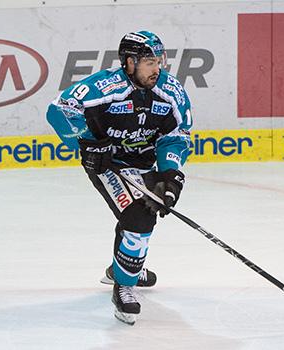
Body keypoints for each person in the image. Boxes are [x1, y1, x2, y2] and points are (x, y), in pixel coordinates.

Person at [46, 30, 192, 325]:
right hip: (107, 161)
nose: (157, 69)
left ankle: (122, 269)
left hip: (143, 163)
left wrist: (170, 174)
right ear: (129, 62)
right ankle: (125, 284)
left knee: (149, 208)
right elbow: (59, 110)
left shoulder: (171, 91)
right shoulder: (105, 85)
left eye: (159, 61)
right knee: (139, 216)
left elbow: (176, 135)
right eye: (149, 62)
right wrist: (86, 142)